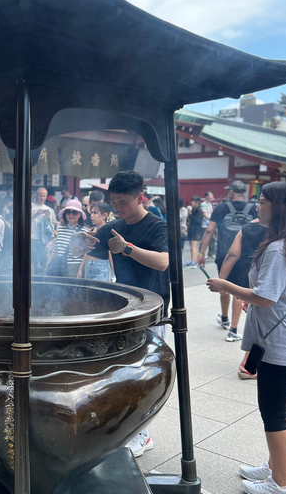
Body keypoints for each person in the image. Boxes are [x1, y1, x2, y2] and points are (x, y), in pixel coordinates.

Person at [207, 181, 286, 494]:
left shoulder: (280, 248)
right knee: (278, 407)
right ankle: (274, 466)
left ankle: (281, 484)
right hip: (283, 336)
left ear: (279, 207)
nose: (257, 206)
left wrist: (225, 286)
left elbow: (266, 296)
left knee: (273, 411)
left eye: (263, 201)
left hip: (279, 341)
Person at [72, 170, 169, 457]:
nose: (117, 208)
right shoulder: (112, 226)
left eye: (123, 202)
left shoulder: (157, 226)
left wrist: (127, 248)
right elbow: (86, 248)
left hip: (152, 310)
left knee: (145, 373)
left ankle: (143, 434)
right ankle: (126, 427)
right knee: (123, 373)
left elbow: (163, 262)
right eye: (114, 202)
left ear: (141, 197)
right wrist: (79, 242)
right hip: (123, 310)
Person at [198, 181, 257, 331]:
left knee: (223, 283)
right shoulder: (253, 209)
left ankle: (225, 318)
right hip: (247, 254)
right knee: (238, 288)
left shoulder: (221, 208)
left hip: (224, 254)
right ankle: (234, 329)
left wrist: (201, 253)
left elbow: (210, 230)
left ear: (231, 192)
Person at [217, 220, 268, 344]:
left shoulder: (247, 227)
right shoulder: (277, 228)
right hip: (261, 266)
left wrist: (221, 280)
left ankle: (227, 322)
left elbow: (232, 254)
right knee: (240, 295)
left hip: (241, 264)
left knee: (235, 291)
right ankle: (233, 329)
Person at [46, 199, 90, 277]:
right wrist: (48, 263)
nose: (71, 215)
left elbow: (87, 254)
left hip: (75, 267)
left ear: (80, 214)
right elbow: (56, 249)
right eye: (68, 212)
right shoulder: (60, 229)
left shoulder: (85, 231)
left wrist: (80, 269)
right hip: (58, 265)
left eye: (74, 212)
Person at [78, 202, 113, 281]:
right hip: (88, 264)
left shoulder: (107, 231)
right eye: (91, 213)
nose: (92, 215)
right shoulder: (92, 230)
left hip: (101, 265)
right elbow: (87, 250)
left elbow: (110, 253)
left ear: (104, 215)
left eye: (95, 213)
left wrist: (113, 273)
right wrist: (80, 268)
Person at [31, 187, 56, 274]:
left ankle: (44, 277)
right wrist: (35, 214)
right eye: (40, 196)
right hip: (32, 237)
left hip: (44, 239)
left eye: (44, 196)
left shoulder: (49, 209)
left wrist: (48, 218)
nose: (42, 198)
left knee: (44, 259)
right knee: (32, 260)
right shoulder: (30, 206)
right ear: (36, 196)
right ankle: (32, 277)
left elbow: (53, 224)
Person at [186, 196, 203, 267]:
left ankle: (193, 262)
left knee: (193, 247)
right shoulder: (194, 210)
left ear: (197, 202)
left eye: (193, 201)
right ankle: (192, 260)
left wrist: (190, 214)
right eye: (192, 201)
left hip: (196, 230)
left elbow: (197, 220)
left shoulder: (198, 210)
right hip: (192, 229)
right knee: (191, 247)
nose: (192, 203)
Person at [201, 191, 215, 257]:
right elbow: (204, 214)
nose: (212, 197)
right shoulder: (204, 204)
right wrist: (211, 220)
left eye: (212, 195)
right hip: (205, 224)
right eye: (210, 195)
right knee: (205, 238)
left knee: (212, 239)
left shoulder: (210, 204)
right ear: (206, 197)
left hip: (210, 224)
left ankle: (211, 253)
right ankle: (202, 253)